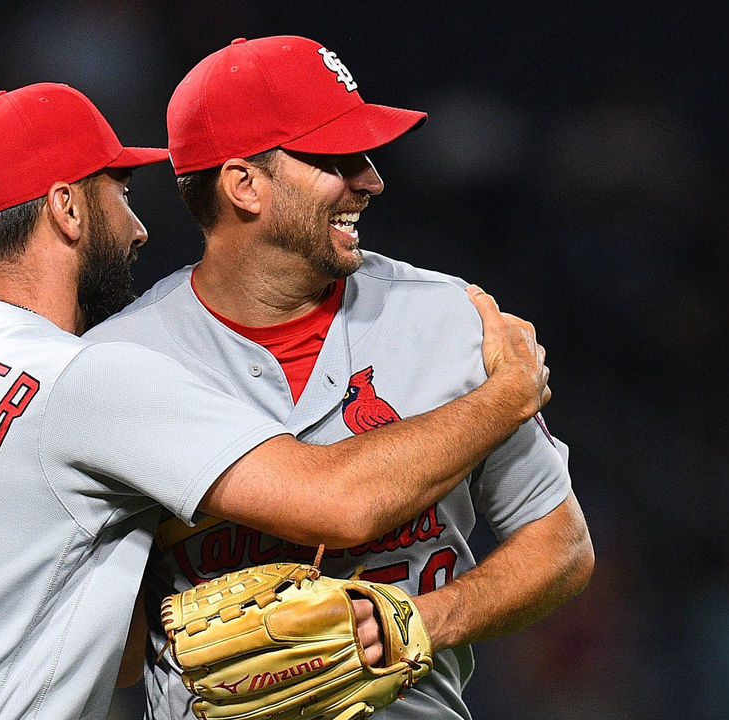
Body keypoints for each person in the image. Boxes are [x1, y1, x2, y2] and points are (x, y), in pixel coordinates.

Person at [0, 81, 552, 720]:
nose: (141, 224)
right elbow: (337, 502)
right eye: (117, 191)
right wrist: (506, 394)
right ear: (67, 209)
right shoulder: (89, 376)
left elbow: (67, 623)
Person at [80, 36, 595, 719]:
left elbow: (562, 545)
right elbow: (110, 655)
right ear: (244, 185)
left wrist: (431, 619)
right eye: (335, 157)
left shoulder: (449, 318)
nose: (371, 179)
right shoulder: (121, 363)